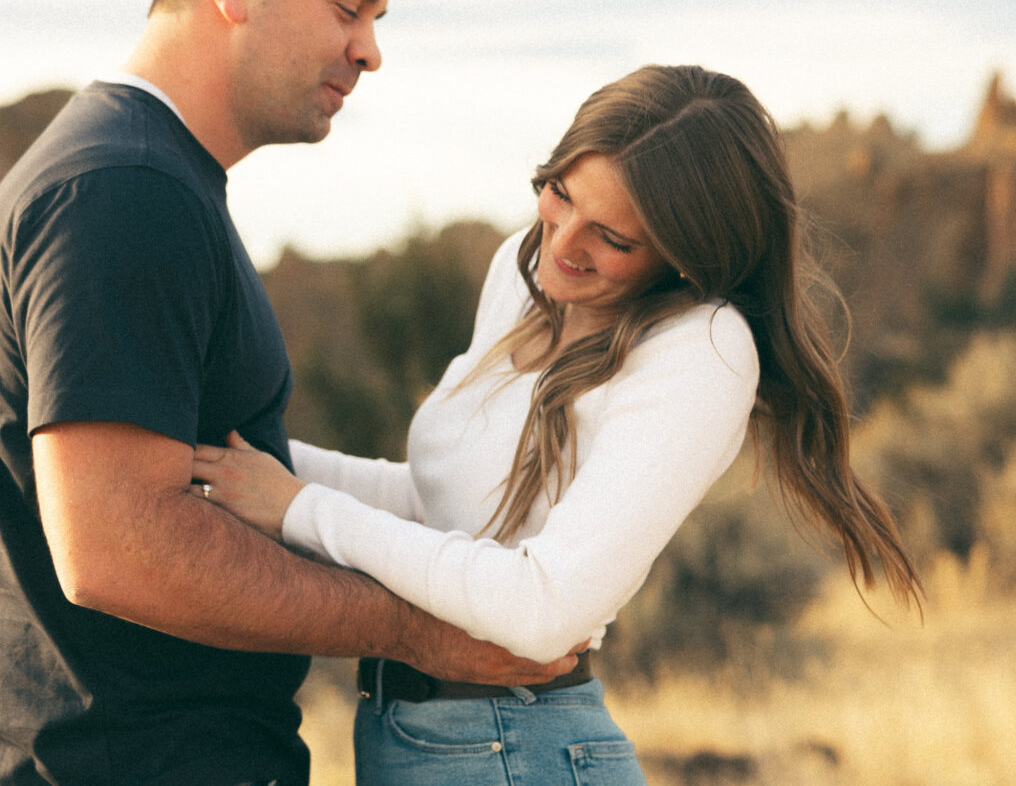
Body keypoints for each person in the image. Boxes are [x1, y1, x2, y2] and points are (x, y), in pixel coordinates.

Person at [0, 0, 575, 786]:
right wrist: (420, 632)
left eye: (376, 19)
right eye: (349, 6)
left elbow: (210, 482)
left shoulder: (151, 179)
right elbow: (115, 547)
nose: (370, 51)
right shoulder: (123, 189)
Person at [194, 63, 924, 786]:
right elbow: (439, 509)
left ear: (684, 257)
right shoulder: (523, 274)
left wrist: (298, 507)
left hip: (518, 751)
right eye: (559, 193)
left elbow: (544, 610)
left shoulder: (699, 347)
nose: (564, 243)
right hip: (405, 736)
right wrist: (249, 461)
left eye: (611, 235)